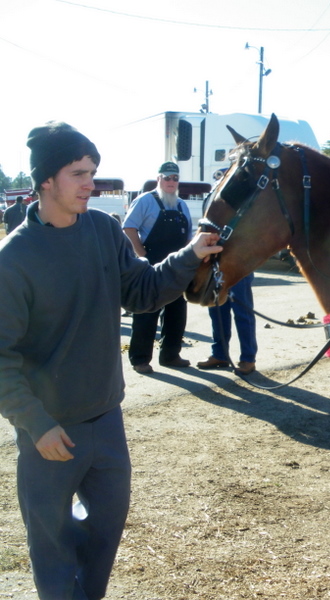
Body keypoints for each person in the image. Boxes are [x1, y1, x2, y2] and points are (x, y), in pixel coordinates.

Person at [0, 121, 221, 600]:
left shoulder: (102, 229)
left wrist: (190, 256)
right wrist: (36, 424)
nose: (90, 184)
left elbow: (142, 291)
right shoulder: (14, 259)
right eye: (79, 173)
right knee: (52, 553)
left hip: (106, 421)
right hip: (49, 435)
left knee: (103, 535)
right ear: (45, 181)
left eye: (93, 172)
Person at [122, 162, 194, 374]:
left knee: (176, 313)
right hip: (150, 266)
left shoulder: (181, 205)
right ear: (159, 179)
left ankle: (171, 355)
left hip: (177, 269)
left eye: (175, 178)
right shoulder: (145, 200)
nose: (171, 182)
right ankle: (140, 359)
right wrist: (142, 256)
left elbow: (188, 237)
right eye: (167, 177)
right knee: (146, 313)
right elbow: (128, 228)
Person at [196, 273, 258, 375]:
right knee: (217, 311)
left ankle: (248, 359)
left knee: (243, 314)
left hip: (239, 269)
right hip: (216, 270)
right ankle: (219, 355)